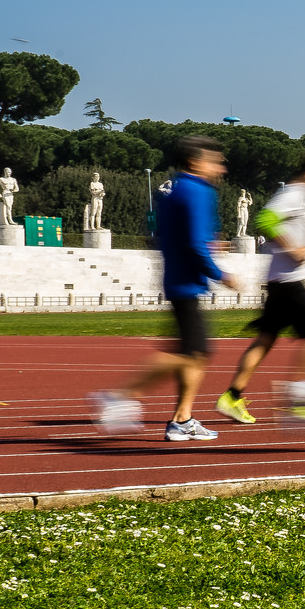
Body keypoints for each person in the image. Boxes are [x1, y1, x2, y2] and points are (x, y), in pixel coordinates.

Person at [89, 135, 240, 440]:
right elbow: (196, 244)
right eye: (216, 161)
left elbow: (163, 233)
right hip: (186, 282)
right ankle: (122, 395)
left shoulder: (171, 189)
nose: (221, 169)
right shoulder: (197, 191)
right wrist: (219, 273)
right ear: (196, 162)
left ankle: (182, 419)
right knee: (192, 352)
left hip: (176, 278)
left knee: (194, 353)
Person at [215, 149, 305, 425]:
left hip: (279, 280)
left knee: (265, 339)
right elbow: (264, 220)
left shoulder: (303, 197)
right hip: (289, 280)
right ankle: (303, 400)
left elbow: (286, 230)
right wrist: (295, 250)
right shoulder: (295, 193)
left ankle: (232, 396)